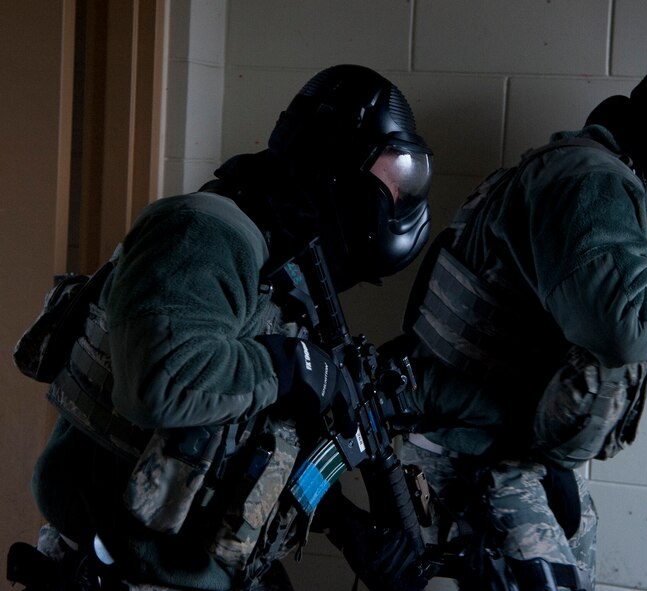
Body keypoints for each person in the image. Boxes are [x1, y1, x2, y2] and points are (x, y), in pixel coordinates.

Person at [383, 35, 647, 590]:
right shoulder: (589, 180)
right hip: (464, 443)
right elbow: (622, 327)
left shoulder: (622, 186)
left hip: (510, 440)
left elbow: (620, 358)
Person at [15, 64, 433, 590]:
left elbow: (254, 444)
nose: (401, 201)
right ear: (337, 168)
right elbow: (161, 383)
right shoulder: (204, 232)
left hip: (195, 572)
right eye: (392, 181)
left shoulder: (286, 269)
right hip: (118, 573)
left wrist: (348, 528)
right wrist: (288, 367)